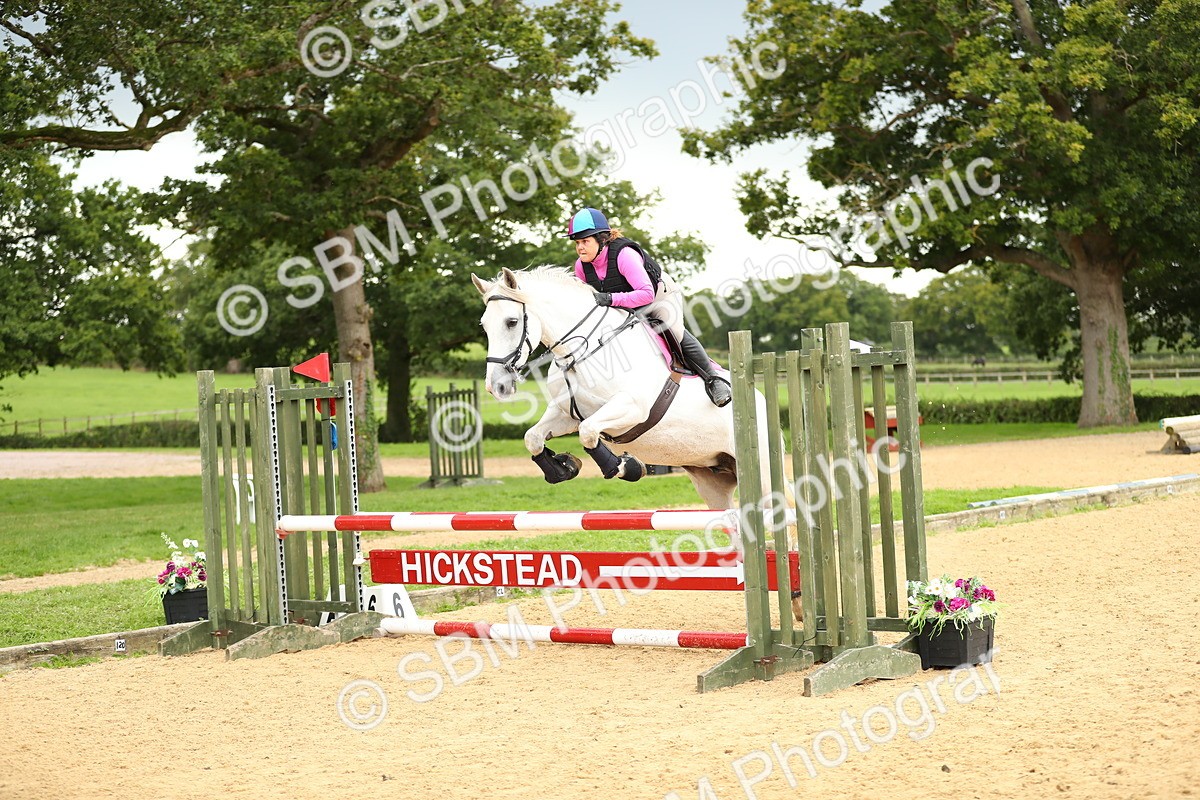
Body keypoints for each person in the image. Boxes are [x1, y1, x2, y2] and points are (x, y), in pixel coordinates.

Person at [566, 207, 731, 407]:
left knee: (674, 331)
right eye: (577, 243)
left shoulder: (624, 255)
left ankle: (714, 380)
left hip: (659, 297)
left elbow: (646, 294)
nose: (580, 248)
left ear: (601, 239)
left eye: (585, 241)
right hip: (626, 304)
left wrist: (610, 298)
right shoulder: (581, 266)